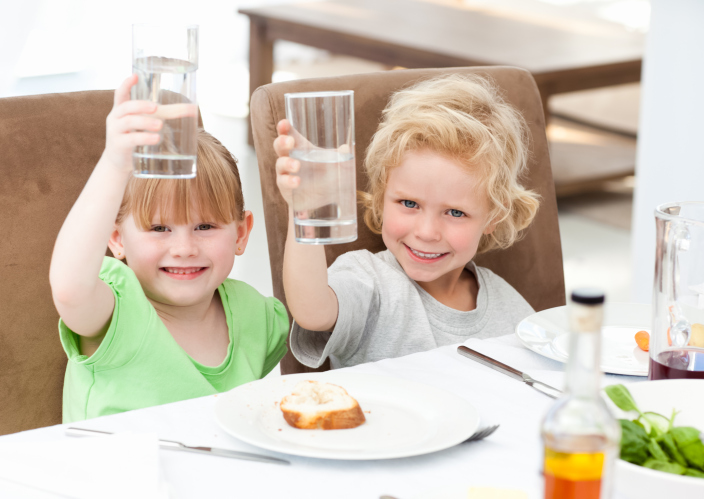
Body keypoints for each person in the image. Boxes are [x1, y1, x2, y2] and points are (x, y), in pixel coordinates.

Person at [50, 75, 288, 423]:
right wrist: (116, 163)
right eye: (160, 229)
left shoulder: (256, 316)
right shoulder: (118, 310)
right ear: (116, 239)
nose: (184, 248)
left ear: (241, 233)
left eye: (205, 227)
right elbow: (70, 289)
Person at [274, 74, 539, 369]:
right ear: (380, 200)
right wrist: (306, 208)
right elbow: (312, 311)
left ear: (494, 217)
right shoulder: (369, 280)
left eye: (455, 213)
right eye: (409, 204)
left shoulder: (509, 306)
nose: (426, 233)